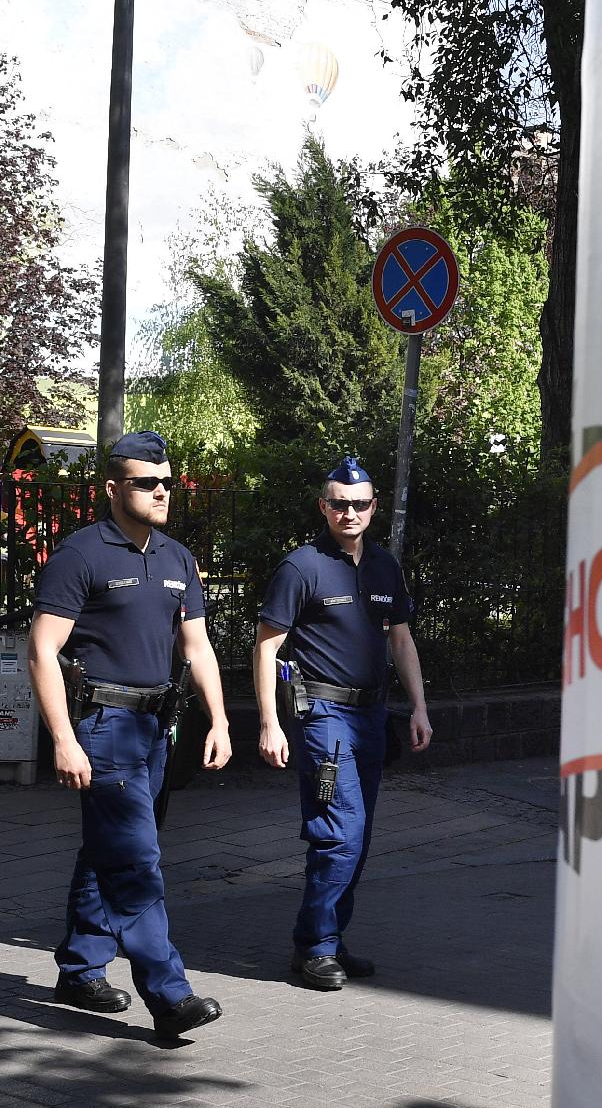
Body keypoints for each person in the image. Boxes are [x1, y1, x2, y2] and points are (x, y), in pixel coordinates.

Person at [28, 430, 231, 1039]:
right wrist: (63, 738)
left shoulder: (176, 557)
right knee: (137, 860)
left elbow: (197, 646)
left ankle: (80, 969)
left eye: (167, 482)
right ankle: (169, 995)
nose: (162, 492)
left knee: (108, 851)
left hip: (156, 726)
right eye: (148, 484)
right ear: (114, 489)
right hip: (105, 727)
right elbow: (42, 650)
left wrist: (220, 719)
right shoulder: (81, 555)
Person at [255, 456, 431, 990]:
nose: (349, 512)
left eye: (359, 504)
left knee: (360, 833)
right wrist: (270, 723)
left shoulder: (384, 566)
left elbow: (401, 639)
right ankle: (316, 947)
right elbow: (266, 648)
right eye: (339, 504)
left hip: (371, 716)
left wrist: (419, 707)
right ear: (323, 507)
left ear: (374, 507)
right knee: (339, 833)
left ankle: (327, 937)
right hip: (323, 716)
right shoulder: (301, 568)